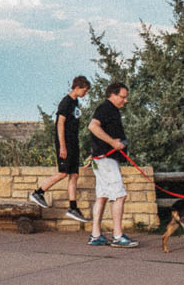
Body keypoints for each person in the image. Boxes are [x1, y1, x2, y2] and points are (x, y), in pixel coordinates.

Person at [29, 76, 91, 223]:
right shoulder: (66, 102)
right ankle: (38, 193)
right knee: (63, 173)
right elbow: (60, 124)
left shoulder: (75, 102)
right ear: (77, 87)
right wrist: (62, 146)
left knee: (74, 174)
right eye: (84, 90)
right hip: (66, 143)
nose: (85, 94)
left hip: (74, 142)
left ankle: (73, 207)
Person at [87, 81, 139, 248]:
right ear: (113, 95)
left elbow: (97, 132)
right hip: (106, 159)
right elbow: (93, 127)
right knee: (120, 195)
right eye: (123, 97)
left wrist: (95, 150)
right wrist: (113, 143)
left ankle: (96, 236)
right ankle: (117, 236)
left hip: (101, 158)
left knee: (102, 196)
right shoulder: (106, 108)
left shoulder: (111, 110)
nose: (126, 100)